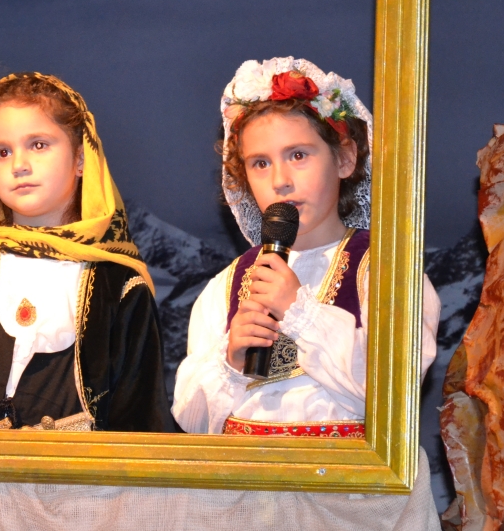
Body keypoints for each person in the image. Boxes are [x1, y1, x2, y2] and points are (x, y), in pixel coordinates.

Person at [0, 72, 177, 432]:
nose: (18, 165)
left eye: (38, 145)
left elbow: (140, 418)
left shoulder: (117, 283)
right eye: (2, 152)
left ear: (81, 158)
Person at [173, 57, 441, 437]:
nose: (280, 180)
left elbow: (396, 393)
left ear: (345, 159)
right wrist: (232, 362)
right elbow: (192, 423)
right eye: (260, 163)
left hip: (343, 476)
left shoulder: (387, 273)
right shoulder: (226, 286)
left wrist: (300, 312)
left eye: (298, 155)